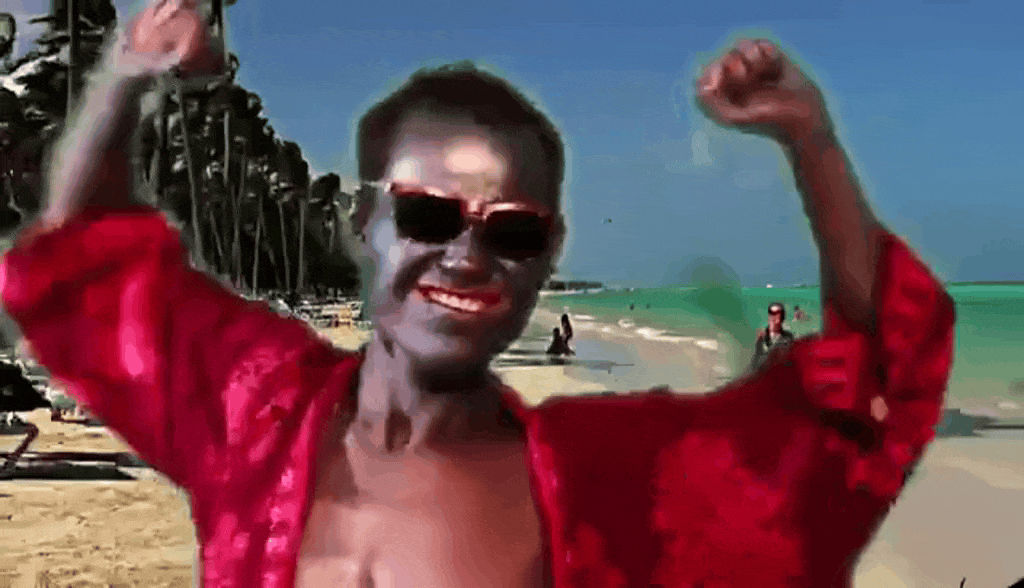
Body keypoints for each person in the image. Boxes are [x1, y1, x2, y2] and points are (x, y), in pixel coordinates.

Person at [0, 1, 955, 585]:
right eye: (427, 216)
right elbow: (87, 260)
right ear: (364, 221)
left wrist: (812, 141)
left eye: (513, 232)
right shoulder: (257, 408)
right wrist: (124, 75)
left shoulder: (611, 478)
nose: (467, 256)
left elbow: (864, 394)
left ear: (546, 257)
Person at [751, 302, 796, 370]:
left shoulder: (788, 337)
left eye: (776, 313)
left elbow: (792, 359)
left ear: (782, 317)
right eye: (771, 313)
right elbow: (755, 364)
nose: (773, 316)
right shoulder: (762, 338)